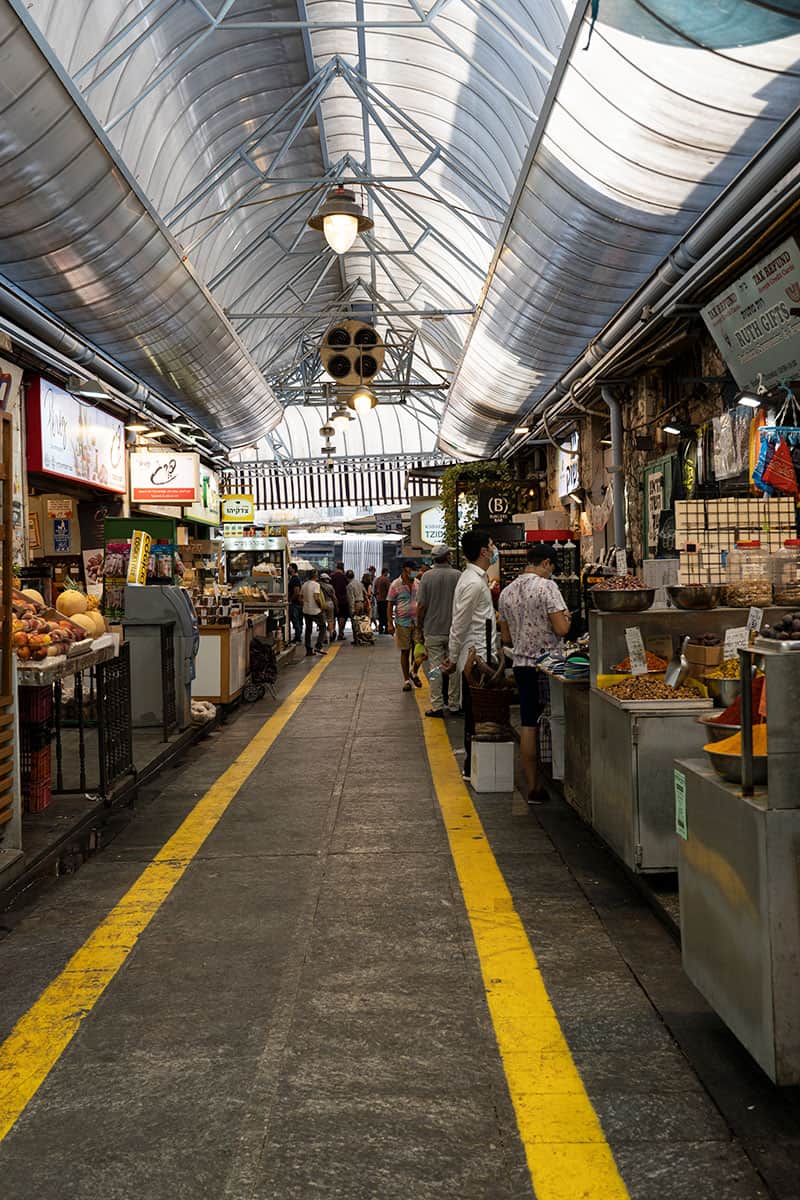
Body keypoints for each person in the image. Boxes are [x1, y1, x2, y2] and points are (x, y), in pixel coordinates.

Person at [498, 544, 571, 805]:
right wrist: (568, 619)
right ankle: (563, 778)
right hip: (548, 666)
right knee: (558, 720)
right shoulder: (546, 587)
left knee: (529, 723)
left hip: (521, 665)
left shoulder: (506, 592)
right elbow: (562, 629)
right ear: (547, 564)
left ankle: (534, 788)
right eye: (552, 569)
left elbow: (505, 636)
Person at [442, 531, 498, 779]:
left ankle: (475, 764)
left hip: (481, 655)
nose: (494, 548)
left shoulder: (477, 579)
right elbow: (459, 624)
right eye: (491, 543)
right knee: (476, 713)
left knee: (479, 712)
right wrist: (453, 659)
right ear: (484, 552)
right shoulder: (474, 583)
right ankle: (471, 765)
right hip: (477, 659)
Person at [415, 544, 461, 718]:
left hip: (432, 630)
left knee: (435, 667)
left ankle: (437, 706)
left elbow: (421, 606)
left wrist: (419, 627)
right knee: (454, 666)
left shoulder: (426, 577)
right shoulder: (458, 575)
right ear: (448, 556)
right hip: (454, 630)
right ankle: (455, 704)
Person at [387, 560, 421, 691]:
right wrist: (390, 623)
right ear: (405, 569)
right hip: (402, 622)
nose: (414, 571)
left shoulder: (418, 584)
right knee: (405, 651)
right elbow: (390, 604)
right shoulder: (395, 584)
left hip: (417, 622)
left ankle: (414, 672)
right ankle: (407, 680)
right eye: (412, 569)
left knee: (419, 651)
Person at [300, 568, 327, 657]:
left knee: (308, 630)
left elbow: (300, 598)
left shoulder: (304, 585)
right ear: (316, 576)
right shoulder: (316, 585)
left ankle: (308, 650)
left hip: (306, 610)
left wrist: (305, 604)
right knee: (323, 626)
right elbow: (316, 597)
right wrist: (321, 606)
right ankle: (318, 646)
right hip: (315, 610)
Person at [330, 561, 350, 641]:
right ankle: (340, 633)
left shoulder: (331, 576)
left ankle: (333, 631)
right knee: (342, 617)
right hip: (343, 600)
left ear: (336, 567)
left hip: (333, 599)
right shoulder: (344, 577)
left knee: (333, 617)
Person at [346, 570, 367, 645]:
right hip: (361, 603)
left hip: (355, 604)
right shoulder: (359, 583)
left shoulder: (349, 586)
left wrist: (352, 609)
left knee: (355, 623)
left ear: (347, 577)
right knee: (361, 622)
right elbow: (365, 593)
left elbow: (351, 599)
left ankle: (357, 640)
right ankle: (363, 638)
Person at [288, 562, 303, 644]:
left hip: (295, 603)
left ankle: (298, 637)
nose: (288, 569)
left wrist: (291, 599)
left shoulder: (295, 579)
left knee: (296, 620)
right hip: (296, 603)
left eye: (289, 568)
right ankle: (298, 636)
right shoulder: (294, 578)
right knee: (297, 620)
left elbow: (296, 591)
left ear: (293, 569)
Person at [319, 572, 337, 642]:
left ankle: (324, 638)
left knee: (323, 621)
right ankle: (331, 634)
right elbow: (334, 597)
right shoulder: (330, 586)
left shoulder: (318, 586)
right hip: (330, 603)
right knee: (330, 620)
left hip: (322, 604)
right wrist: (336, 605)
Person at [374, 566, 391, 634]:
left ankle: (380, 629)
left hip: (378, 600)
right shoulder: (386, 579)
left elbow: (375, 591)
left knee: (380, 615)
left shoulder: (377, 579)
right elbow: (389, 590)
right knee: (386, 615)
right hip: (385, 600)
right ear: (386, 572)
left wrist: (377, 598)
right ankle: (386, 629)